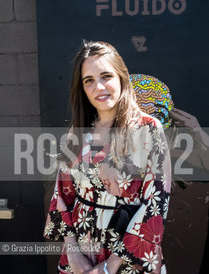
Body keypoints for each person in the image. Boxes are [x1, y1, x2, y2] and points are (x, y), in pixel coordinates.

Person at [44, 41, 171, 274]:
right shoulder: (78, 131)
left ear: (121, 77)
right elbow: (61, 194)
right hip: (80, 255)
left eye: (106, 76)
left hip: (128, 257)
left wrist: (108, 267)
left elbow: (155, 203)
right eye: (88, 80)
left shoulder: (148, 129)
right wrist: (73, 255)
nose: (98, 87)